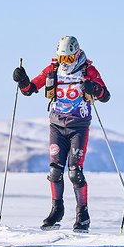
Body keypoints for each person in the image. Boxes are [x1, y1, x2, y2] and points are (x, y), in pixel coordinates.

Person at [12, 36, 110, 233]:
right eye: (62, 58)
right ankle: (57, 210)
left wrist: (94, 88)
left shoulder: (88, 70)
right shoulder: (53, 69)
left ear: (76, 54)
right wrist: (22, 79)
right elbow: (30, 89)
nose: (65, 62)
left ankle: (83, 214)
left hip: (78, 126)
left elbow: (105, 96)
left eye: (68, 58)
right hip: (57, 125)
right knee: (55, 171)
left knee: (75, 172)